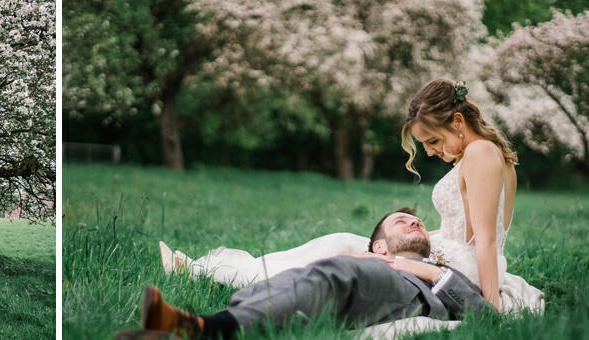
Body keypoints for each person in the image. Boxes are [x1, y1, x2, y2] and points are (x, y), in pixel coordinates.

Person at [160, 79, 542, 312]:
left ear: (457, 122)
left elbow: (486, 242)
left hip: (461, 270)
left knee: (340, 244)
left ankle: (222, 272)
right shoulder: (484, 153)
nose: (429, 152)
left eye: (433, 140)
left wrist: (489, 305)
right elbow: (467, 232)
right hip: (452, 256)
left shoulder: (480, 154)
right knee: (343, 244)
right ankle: (227, 272)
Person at [119, 209, 496, 340]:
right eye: (402, 221)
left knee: (332, 272)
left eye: (416, 221)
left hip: (401, 293)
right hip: (362, 287)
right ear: (379, 246)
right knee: (295, 280)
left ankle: (203, 327)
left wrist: (428, 271)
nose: (415, 222)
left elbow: (489, 317)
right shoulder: (368, 260)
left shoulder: (440, 275)